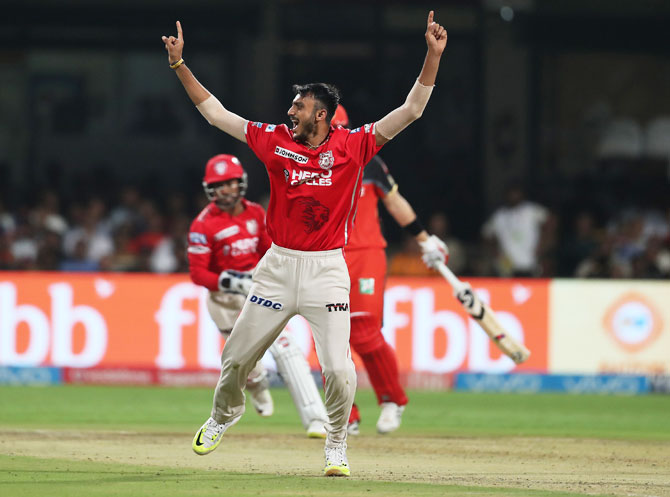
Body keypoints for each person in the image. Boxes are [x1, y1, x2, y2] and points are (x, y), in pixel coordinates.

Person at [162, 10, 447, 477]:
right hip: (277, 267)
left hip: (327, 271)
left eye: (297, 106)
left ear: (320, 114)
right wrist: (180, 66)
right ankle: (222, 415)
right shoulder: (274, 141)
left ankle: (336, 443)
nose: (288, 112)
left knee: (338, 368)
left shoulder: (354, 146)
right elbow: (216, 114)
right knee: (236, 358)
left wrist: (432, 56)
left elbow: (412, 110)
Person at [187, 153, 329, 438]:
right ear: (210, 189)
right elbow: (198, 274)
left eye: (230, 183)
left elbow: (269, 249)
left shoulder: (255, 214)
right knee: (244, 365)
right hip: (224, 299)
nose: (226, 190)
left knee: (286, 346)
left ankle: (317, 419)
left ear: (241, 183)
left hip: (257, 291)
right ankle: (259, 384)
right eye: (219, 185)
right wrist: (230, 281)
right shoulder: (203, 225)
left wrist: (266, 276)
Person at [331, 106, 448, 436]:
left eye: (342, 129)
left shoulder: (367, 159)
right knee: (330, 338)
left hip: (366, 254)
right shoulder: (306, 161)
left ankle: (392, 400)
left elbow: (395, 202)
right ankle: (345, 414)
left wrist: (424, 240)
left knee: (365, 333)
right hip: (325, 255)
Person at [481, 182, 549, 277]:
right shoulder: (500, 216)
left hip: (530, 262)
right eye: (511, 193)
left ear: (521, 194)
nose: (513, 196)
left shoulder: (531, 210)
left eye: (516, 193)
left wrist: (543, 245)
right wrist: (496, 253)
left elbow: (550, 221)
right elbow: (486, 234)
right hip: (508, 266)